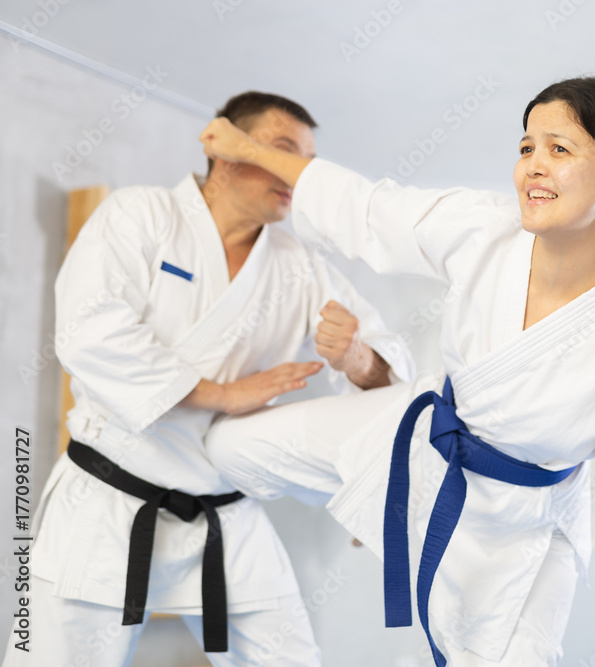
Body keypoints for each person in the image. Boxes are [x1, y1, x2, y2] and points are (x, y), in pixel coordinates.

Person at [199, 76, 595, 666]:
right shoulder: (486, 229)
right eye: (526, 147)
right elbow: (368, 210)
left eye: (559, 149)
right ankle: (376, 500)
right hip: (424, 441)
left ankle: (385, 508)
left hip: (526, 525)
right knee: (231, 446)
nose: (534, 166)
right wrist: (249, 149)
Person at [3, 92, 414, 667]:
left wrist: (357, 359)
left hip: (224, 511)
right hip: (108, 501)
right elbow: (88, 332)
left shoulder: (298, 265)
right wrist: (221, 396)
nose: (296, 171)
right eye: (282, 149)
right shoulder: (140, 215)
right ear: (225, 148)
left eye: (307, 160)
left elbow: (390, 374)